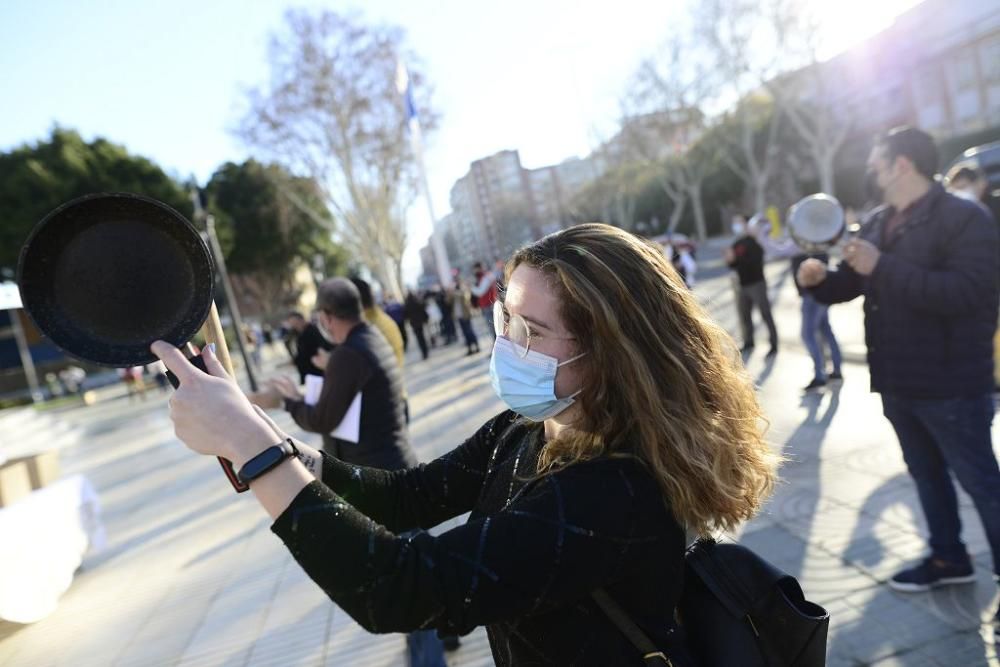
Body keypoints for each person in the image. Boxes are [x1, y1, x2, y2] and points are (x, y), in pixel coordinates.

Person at [153, 223, 777, 666]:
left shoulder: (617, 493)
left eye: (533, 331)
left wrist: (258, 452)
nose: (508, 344)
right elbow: (407, 498)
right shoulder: (528, 430)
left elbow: (402, 587)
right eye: (507, 318)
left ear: (610, 354)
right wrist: (276, 444)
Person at [798, 127, 1000, 615]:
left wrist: (881, 266)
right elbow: (854, 280)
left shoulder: (963, 218)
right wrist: (819, 281)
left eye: (877, 162)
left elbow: (966, 293)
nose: (871, 170)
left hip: (953, 383)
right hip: (899, 381)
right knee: (927, 477)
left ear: (902, 164)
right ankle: (949, 558)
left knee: (984, 488)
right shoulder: (877, 220)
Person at [255, 279, 447, 666]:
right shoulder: (371, 338)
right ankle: (438, 642)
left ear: (326, 317)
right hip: (396, 466)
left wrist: (290, 399)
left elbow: (323, 416)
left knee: (408, 581)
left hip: (381, 476)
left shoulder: (348, 355)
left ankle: (431, 656)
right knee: (415, 569)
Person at [725, 214, 778, 356]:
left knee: (765, 314)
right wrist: (730, 260)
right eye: (734, 222)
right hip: (742, 285)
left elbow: (755, 262)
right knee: (745, 315)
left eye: (739, 222)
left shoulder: (756, 241)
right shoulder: (736, 243)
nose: (736, 225)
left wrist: (737, 260)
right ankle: (749, 342)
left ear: (747, 224)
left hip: (757, 283)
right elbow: (733, 265)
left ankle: (774, 344)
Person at [791, 251, 842, 391]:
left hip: (811, 292)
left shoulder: (805, 237)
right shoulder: (821, 238)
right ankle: (836, 370)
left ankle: (820, 375)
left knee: (807, 335)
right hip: (820, 291)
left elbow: (782, 250)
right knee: (826, 330)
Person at [283, 311, 334, 383]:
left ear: (301, 320)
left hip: (316, 370)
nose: (295, 326)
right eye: (292, 324)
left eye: (296, 323)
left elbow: (323, 347)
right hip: (304, 370)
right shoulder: (295, 334)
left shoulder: (313, 330)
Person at [470, 261, 498, 339]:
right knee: (494, 327)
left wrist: (471, 288)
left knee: (493, 327)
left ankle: (498, 345)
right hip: (488, 304)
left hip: (489, 305)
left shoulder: (485, 277)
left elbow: (480, 292)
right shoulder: (485, 276)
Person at [454, 277, 480, 356]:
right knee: (464, 333)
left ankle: (476, 346)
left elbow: (466, 298)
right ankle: (469, 348)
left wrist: (458, 292)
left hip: (466, 314)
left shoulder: (464, 289)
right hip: (459, 315)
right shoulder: (454, 292)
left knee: (470, 331)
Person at [403, 291, 430, 360]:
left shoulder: (407, 305)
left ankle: (424, 353)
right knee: (422, 337)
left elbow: (406, 315)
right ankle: (426, 351)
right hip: (420, 322)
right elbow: (423, 309)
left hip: (414, 324)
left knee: (419, 339)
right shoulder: (417, 302)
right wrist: (426, 319)